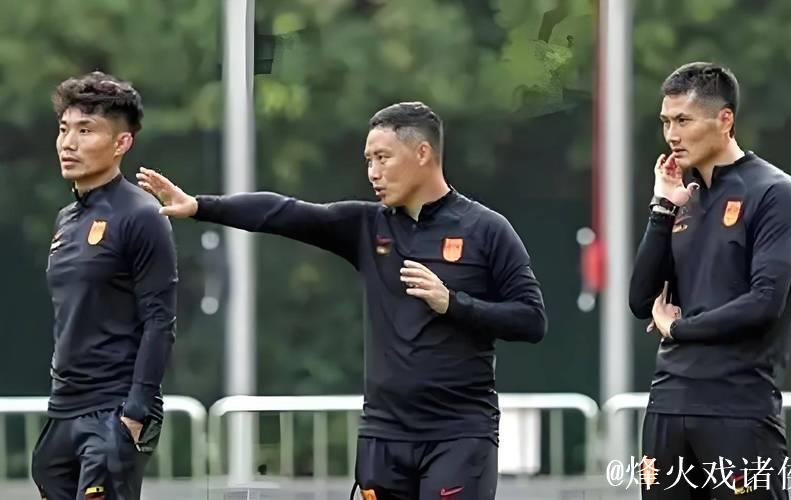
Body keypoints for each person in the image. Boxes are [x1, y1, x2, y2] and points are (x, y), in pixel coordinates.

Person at [137, 101, 546, 500]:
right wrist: (200, 206)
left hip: (459, 436)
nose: (373, 172)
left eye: (383, 158)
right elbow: (284, 212)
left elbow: (531, 319)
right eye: (368, 160)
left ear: (423, 153)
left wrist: (453, 303)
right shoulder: (368, 226)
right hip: (383, 437)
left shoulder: (486, 230)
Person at [629, 62, 791, 499]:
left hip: (737, 409)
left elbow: (764, 302)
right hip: (667, 405)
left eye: (683, 121)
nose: (672, 135)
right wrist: (661, 208)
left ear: (725, 120)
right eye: (666, 122)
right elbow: (640, 300)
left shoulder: (773, 191)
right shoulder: (681, 198)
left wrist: (678, 328)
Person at [31, 72, 178, 500]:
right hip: (63, 410)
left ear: (121, 143)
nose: (68, 143)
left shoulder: (142, 215)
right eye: (64, 129)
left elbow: (160, 321)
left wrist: (134, 414)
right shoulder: (66, 219)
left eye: (85, 130)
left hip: (113, 410)